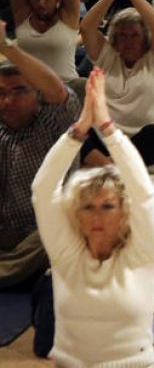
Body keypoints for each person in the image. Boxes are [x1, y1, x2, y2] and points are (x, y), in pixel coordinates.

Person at [31, 68, 154, 367]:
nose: (96, 216)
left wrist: (107, 128)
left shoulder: (143, 253)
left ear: (124, 212)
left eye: (107, 206)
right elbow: (43, 190)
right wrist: (77, 132)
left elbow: (143, 194)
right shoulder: (67, 254)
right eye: (88, 207)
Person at [0, 21, 79, 290]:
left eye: (19, 91)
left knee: (60, 232)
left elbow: (59, 92)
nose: (8, 101)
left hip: (40, 231)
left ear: (37, 95)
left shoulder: (53, 123)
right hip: (6, 229)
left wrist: (7, 48)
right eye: (1, 93)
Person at [80, 0, 154, 167]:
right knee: (74, 127)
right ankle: (114, 162)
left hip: (142, 141)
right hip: (107, 137)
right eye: (122, 36)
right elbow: (86, 28)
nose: (128, 41)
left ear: (144, 38)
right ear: (114, 38)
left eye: (134, 35)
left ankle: (108, 163)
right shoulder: (108, 56)